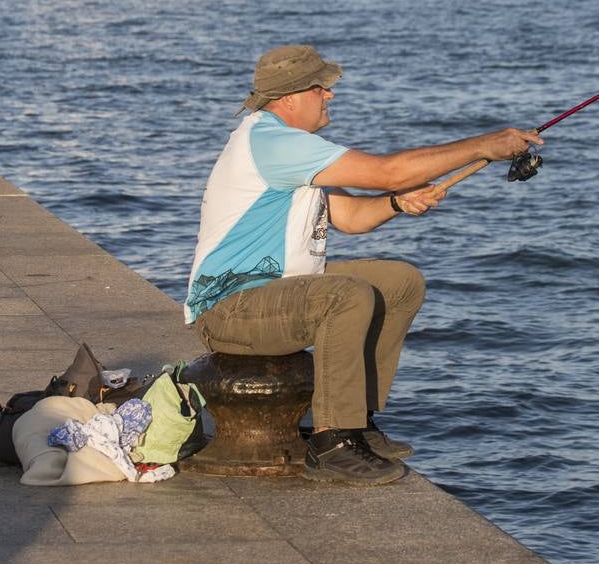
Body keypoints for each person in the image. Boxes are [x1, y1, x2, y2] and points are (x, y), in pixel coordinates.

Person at [185, 45, 541, 485]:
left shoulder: (291, 147)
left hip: (273, 292)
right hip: (228, 311)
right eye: (320, 88)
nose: (329, 95)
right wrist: (483, 145)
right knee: (346, 296)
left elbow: (352, 218)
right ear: (290, 98)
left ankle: (359, 420)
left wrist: (396, 203)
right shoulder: (274, 142)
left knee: (399, 282)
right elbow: (390, 171)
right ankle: (332, 440)